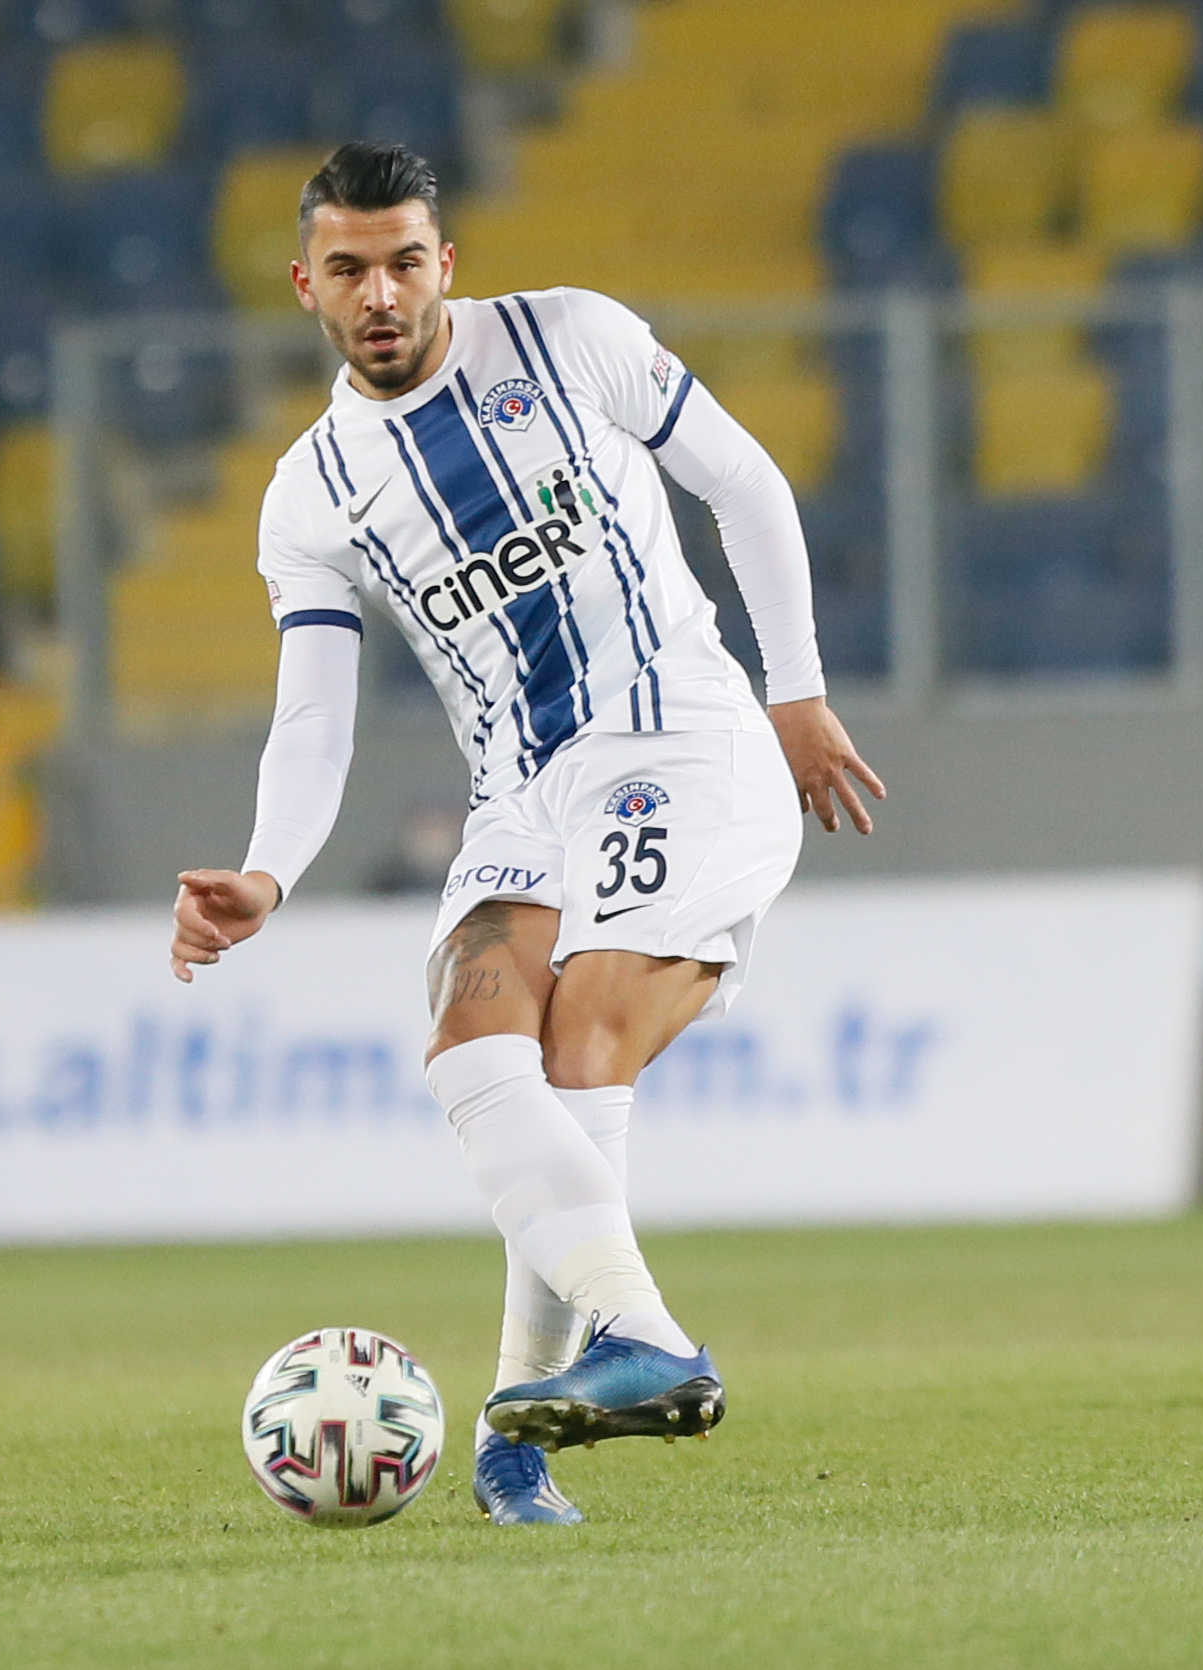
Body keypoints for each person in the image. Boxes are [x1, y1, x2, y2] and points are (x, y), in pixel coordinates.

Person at [168, 141, 885, 1525]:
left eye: (405, 262)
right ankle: (528, 1432)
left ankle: (637, 1347)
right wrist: (267, 870)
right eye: (349, 269)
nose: (381, 294)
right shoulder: (312, 491)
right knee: (475, 1041)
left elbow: (744, 483)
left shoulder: (571, 339)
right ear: (305, 284)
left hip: (679, 739)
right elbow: (312, 716)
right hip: (522, 792)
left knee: (586, 1030)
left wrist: (794, 691)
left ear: (447, 263)